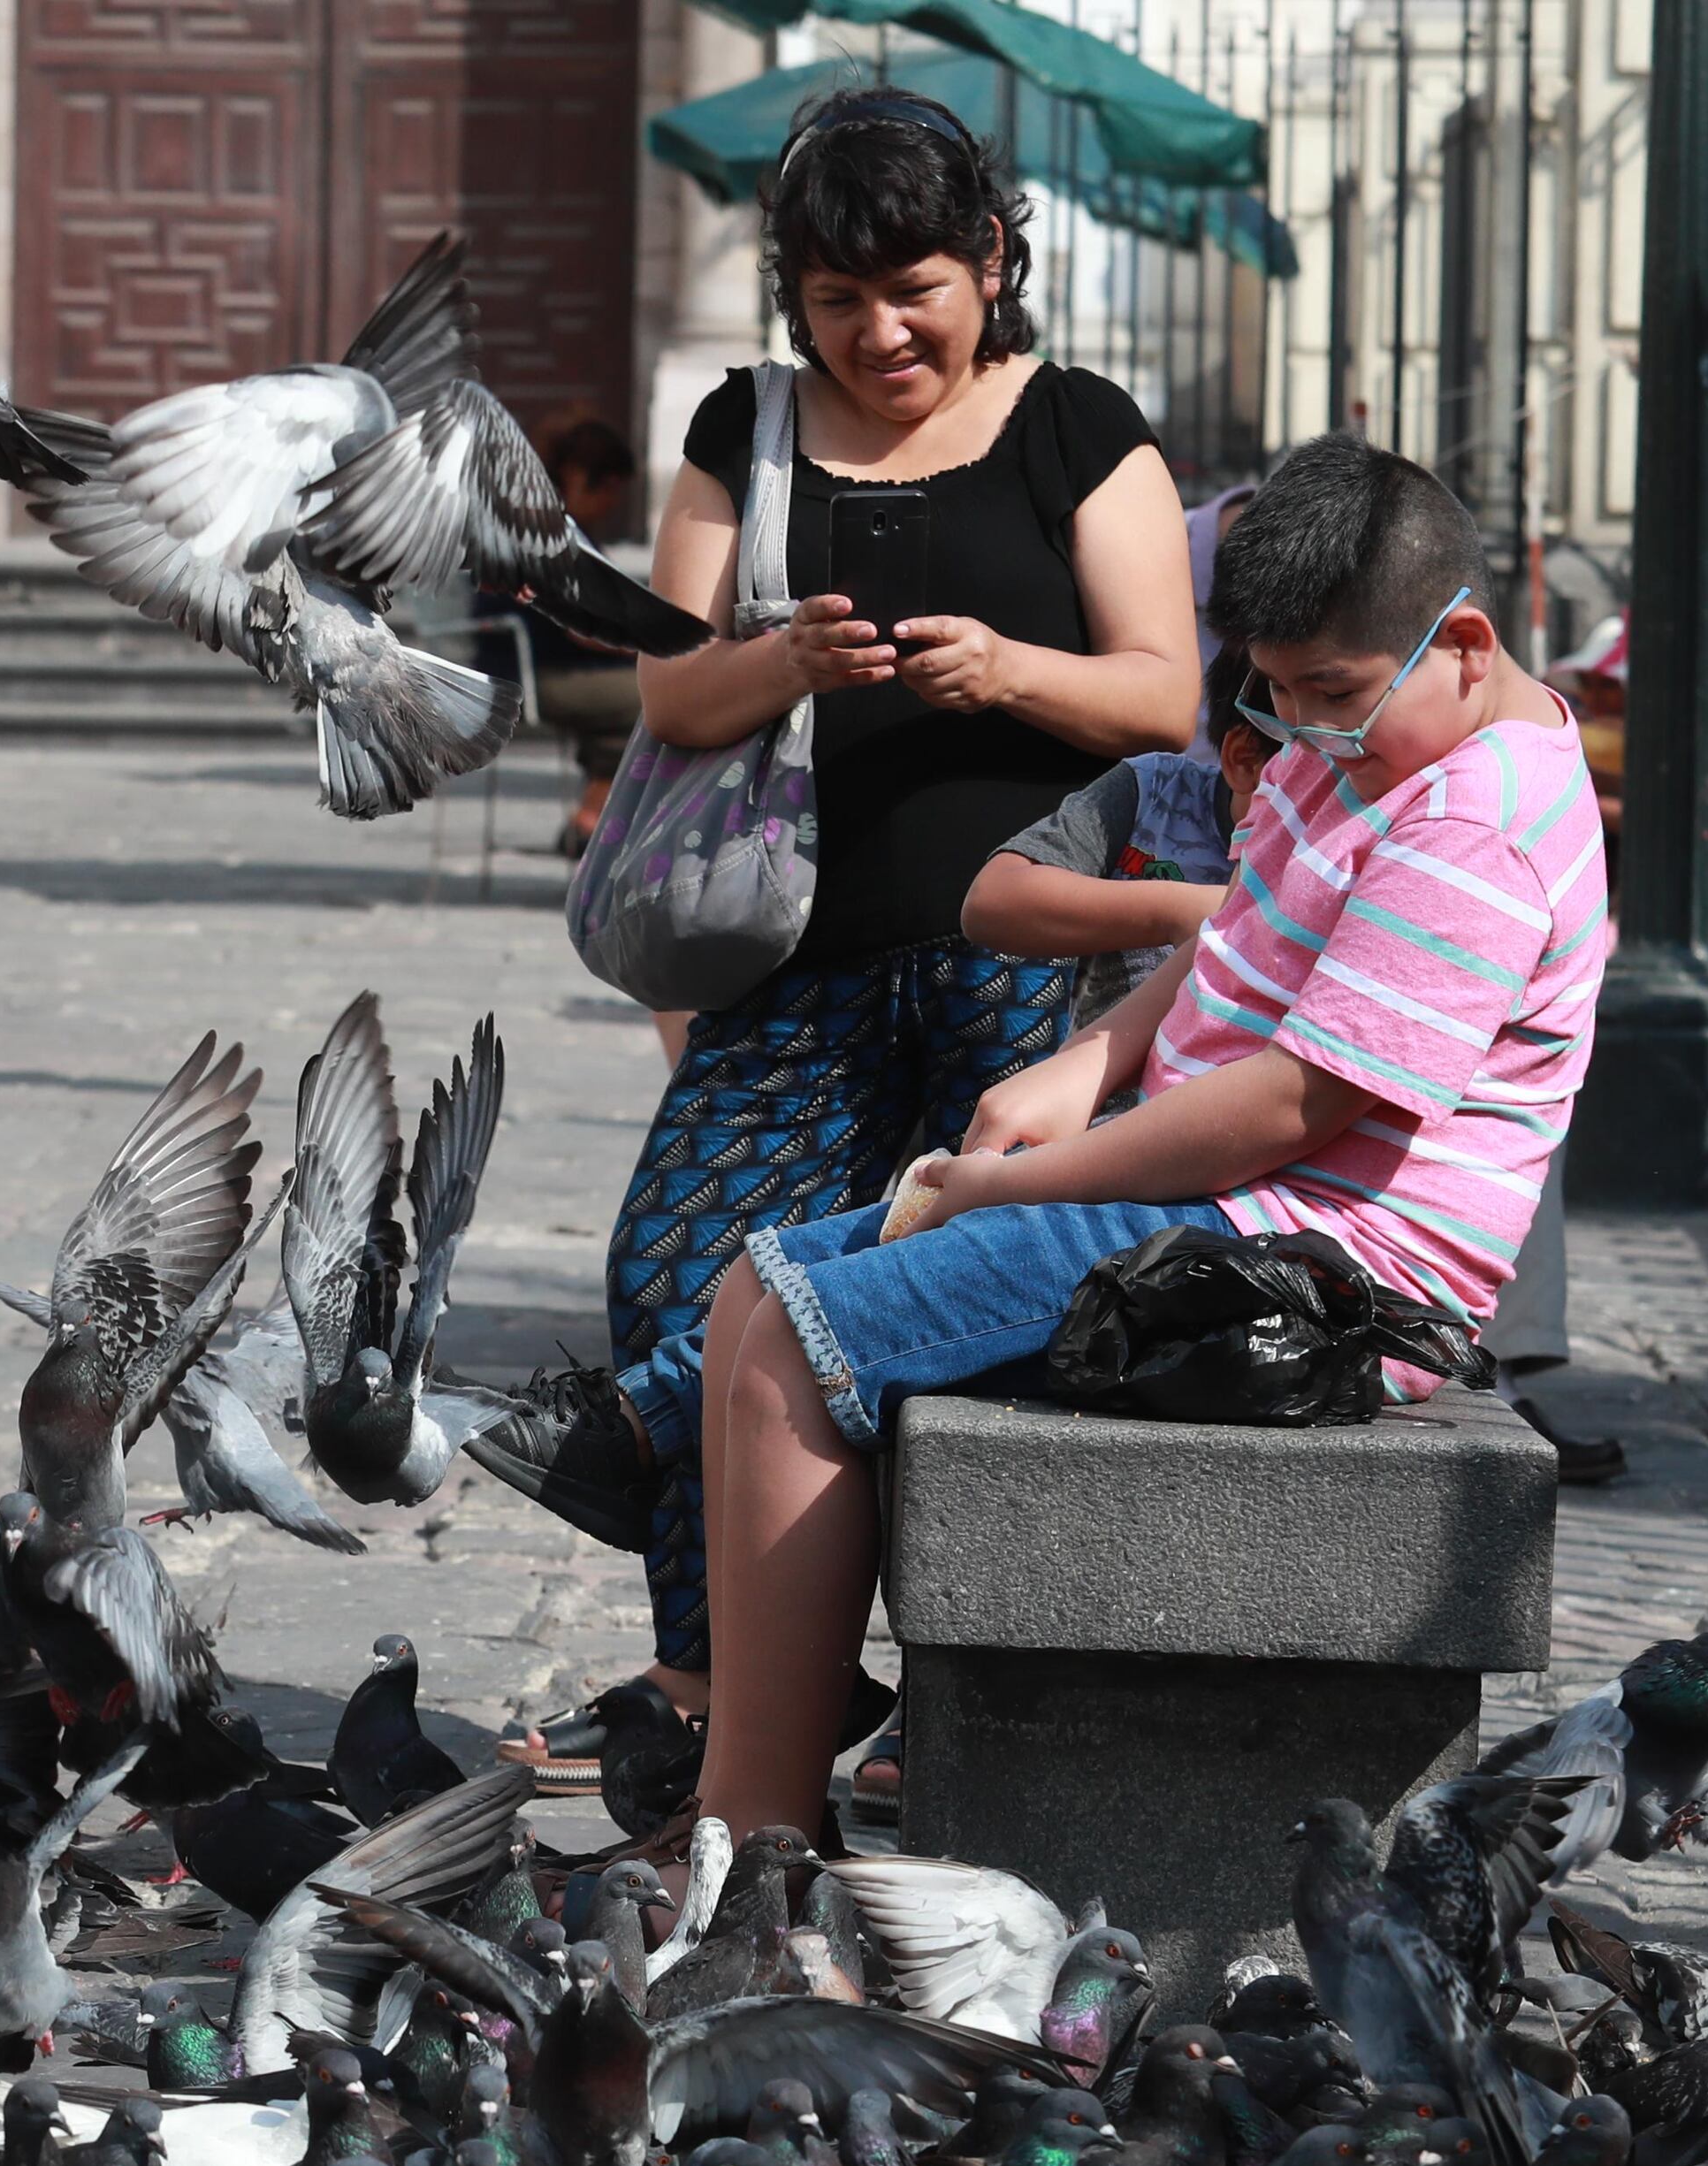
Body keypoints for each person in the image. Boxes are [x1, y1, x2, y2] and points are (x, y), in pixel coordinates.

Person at [679, 430, 1610, 1841]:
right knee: (751, 1288)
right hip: (1230, 1193)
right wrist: (1089, 1061)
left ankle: (754, 1835)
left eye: (1336, 699)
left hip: (1320, 1264)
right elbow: (1249, 931)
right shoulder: (1355, 741)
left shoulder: (1474, 828)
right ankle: (759, 1757)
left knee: (802, 1345)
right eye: (1276, 695)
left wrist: (1020, 1181)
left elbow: (1295, 1106)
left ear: (1465, 642)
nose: (1301, 735)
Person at [471, 88, 1196, 1773]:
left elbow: (1164, 695)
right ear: (794, 299)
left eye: (917, 289)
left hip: (1026, 963)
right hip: (796, 958)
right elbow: (670, 684)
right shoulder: (751, 425)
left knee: (978, 1322)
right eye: (838, 300)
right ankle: (729, 1684)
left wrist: (1006, 670)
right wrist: (783, 658)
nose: (881, 332)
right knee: (675, 1269)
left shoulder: (1076, 424)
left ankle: (969, 1699)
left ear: (991, 262)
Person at [962, 643, 1277, 1029]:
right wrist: (1176, 912)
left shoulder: (1357, 861)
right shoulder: (1155, 790)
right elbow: (993, 902)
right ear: (1245, 759)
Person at [518, 419, 652, 856]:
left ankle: (592, 817)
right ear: (577, 477)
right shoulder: (547, 531)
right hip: (535, 672)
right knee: (656, 697)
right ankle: (594, 821)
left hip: (562, 666)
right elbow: (585, 630)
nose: (613, 503)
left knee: (647, 697)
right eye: (609, 488)